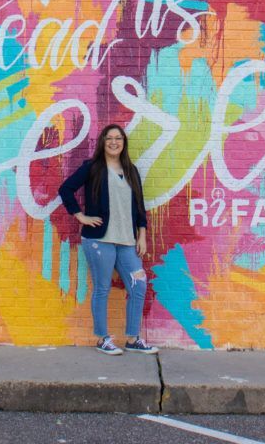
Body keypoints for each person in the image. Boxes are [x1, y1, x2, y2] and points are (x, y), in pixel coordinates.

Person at [58, 124, 159, 355]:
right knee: (102, 288)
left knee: (139, 285)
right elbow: (65, 189)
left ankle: (133, 339)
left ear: (124, 143)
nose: (114, 142)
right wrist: (80, 216)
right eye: (109, 138)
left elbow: (140, 207)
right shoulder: (93, 168)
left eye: (118, 138)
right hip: (99, 241)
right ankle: (103, 338)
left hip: (126, 242)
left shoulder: (131, 170)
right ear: (103, 142)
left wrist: (141, 235)